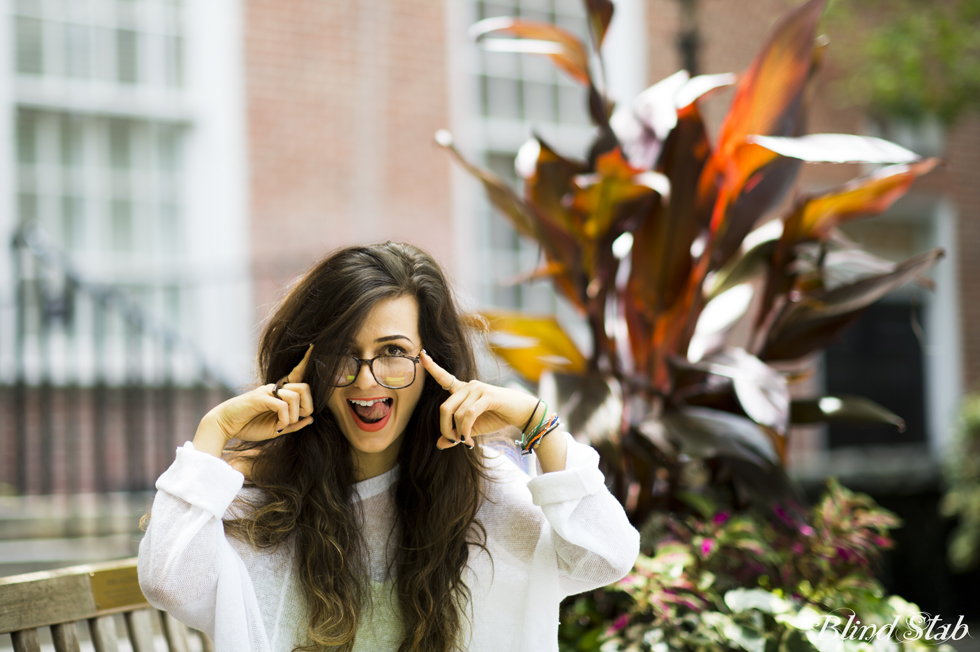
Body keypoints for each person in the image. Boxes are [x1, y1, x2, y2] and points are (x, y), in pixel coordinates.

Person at [138, 242, 639, 652]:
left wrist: (539, 424)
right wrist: (215, 428)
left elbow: (605, 556)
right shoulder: (268, 501)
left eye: (394, 352)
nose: (366, 380)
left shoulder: (476, 488)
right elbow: (169, 584)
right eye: (341, 355)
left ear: (434, 367)